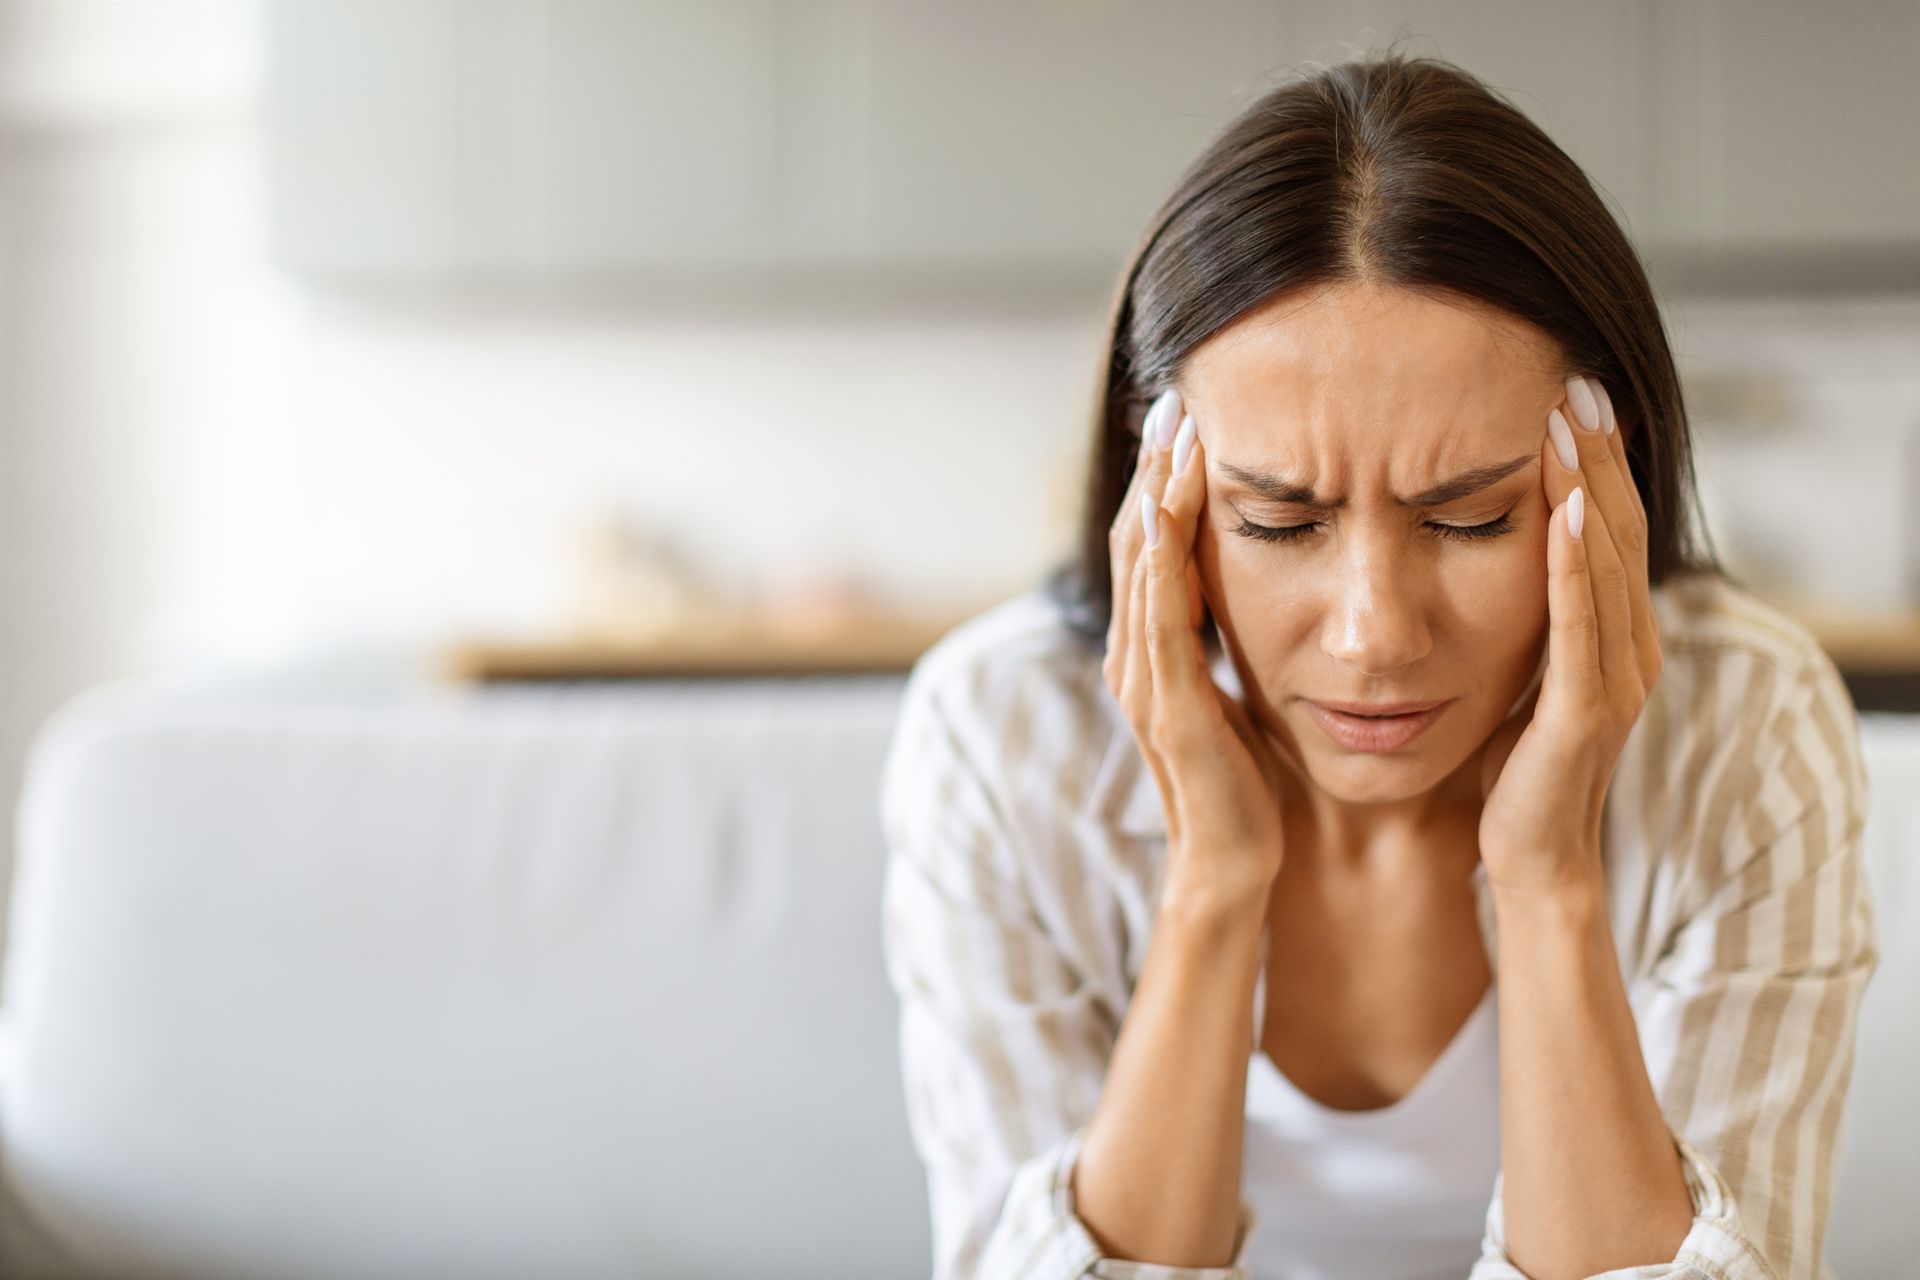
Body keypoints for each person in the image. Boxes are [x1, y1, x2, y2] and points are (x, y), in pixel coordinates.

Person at [878, 47, 1877, 1280]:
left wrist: (1550, 877)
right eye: (1280, 521)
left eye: (1469, 519)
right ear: (1162, 490)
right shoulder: (1000, 738)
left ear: (1605, 470)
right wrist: (1213, 886)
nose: (1373, 634)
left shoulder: (1744, 729)